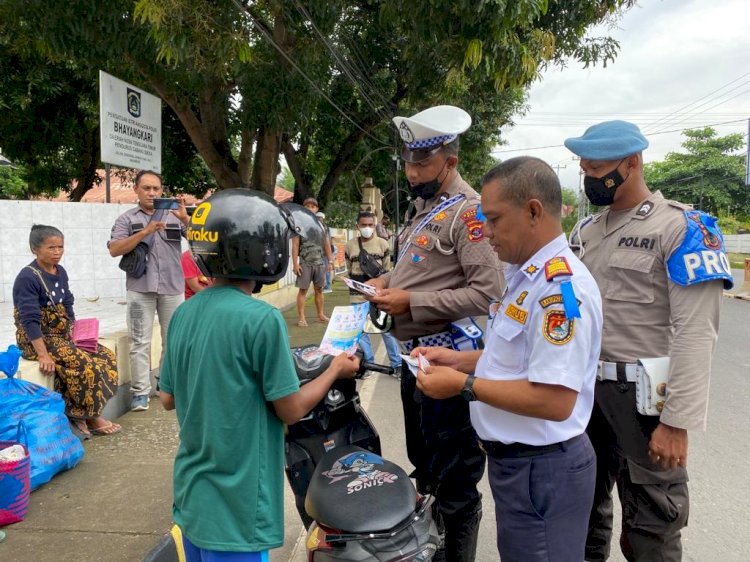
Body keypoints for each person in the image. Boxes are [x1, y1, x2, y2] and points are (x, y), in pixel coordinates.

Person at [414, 156, 603, 561]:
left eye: (495, 219)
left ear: (533, 210)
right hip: (523, 468)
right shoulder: (527, 275)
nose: (486, 233)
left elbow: (555, 400)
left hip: (542, 470)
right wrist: (458, 360)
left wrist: (463, 386)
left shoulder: (559, 288)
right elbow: (520, 355)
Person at [158, 188, 359, 560]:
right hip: (238, 502)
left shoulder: (184, 313)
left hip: (192, 494)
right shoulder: (262, 318)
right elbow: (291, 410)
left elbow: (168, 398)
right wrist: (334, 369)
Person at [564, 120, 733, 562]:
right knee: (583, 513)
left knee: (651, 526)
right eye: (583, 167)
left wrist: (677, 422)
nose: (588, 176)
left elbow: (697, 332)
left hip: (643, 399)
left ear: (632, 163)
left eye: (597, 167)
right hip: (585, 393)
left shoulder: (680, 228)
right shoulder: (585, 231)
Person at [368, 105, 505, 562]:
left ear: (450, 160)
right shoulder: (422, 208)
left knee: (456, 483)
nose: (410, 173)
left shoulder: (468, 214)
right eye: (407, 162)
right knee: (425, 471)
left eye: (421, 163)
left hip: (452, 360)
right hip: (415, 359)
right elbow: (417, 272)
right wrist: (384, 285)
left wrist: (414, 303)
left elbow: (489, 293)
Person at [13, 225, 120, 438]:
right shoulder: (28, 277)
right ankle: (85, 415)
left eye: (60, 247)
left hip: (62, 335)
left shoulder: (60, 272)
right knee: (84, 365)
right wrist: (42, 354)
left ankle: (89, 411)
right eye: (51, 247)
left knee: (105, 356)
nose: (57, 252)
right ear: (35, 249)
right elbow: (29, 320)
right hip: (37, 338)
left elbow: (68, 304)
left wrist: (78, 334)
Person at [108, 170, 189, 412]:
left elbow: (202, 241)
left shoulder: (176, 216)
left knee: (172, 340)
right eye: (146, 188)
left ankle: (166, 387)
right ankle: (140, 393)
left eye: (156, 188)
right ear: (136, 190)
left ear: (162, 190)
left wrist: (186, 220)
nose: (152, 193)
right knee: (139, 341)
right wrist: (145, 232)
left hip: (173, 287)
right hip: (139, 288)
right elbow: (114, 249)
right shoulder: (126, 219)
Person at [344, 210, 402, 372]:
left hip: (379, 297)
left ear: (375, 226)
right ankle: (368, 364)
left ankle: (396, 364)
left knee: (386, 331)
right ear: (358, 226)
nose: (367, 228)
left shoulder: (383, 244)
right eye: (364, 225)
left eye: (370, 225)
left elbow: (387, 271)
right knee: (360, 332)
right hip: (357, 297)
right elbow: (349, 268)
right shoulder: (350, 245)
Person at [291, 197, 333, 327]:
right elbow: (295, 245)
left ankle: (320, 314)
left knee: (319, 290)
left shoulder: (321, 225)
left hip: (319, 263)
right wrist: (295, 264)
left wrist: (331, 261)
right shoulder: (298, 224)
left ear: (317, 209)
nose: (310, 208)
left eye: (312, 206)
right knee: (303, 290)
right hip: (305, 263)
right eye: (307, 206)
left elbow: (327, 244)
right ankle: (302, 318)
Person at [316, 211, 335, 294]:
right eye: (318, 218)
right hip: (323, 252)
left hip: (325, 253)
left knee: (327, 270)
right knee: (323, 270)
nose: (319, 219)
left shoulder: (324, 228)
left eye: (320, 218)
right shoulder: (325, 227)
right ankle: (325, 286)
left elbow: (328, 242)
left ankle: (327, 286)